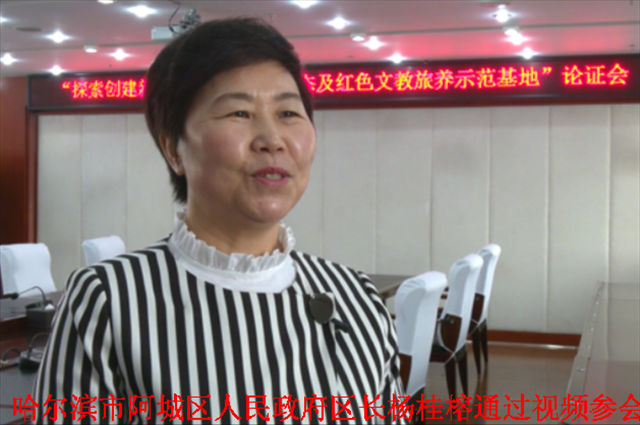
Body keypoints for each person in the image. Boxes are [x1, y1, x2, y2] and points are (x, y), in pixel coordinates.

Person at [33, 17, 406, 424]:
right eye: (239, 113)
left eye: (288, 112)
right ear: (173, 150)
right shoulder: (108, 300)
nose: (272, 139)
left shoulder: (357, 297)